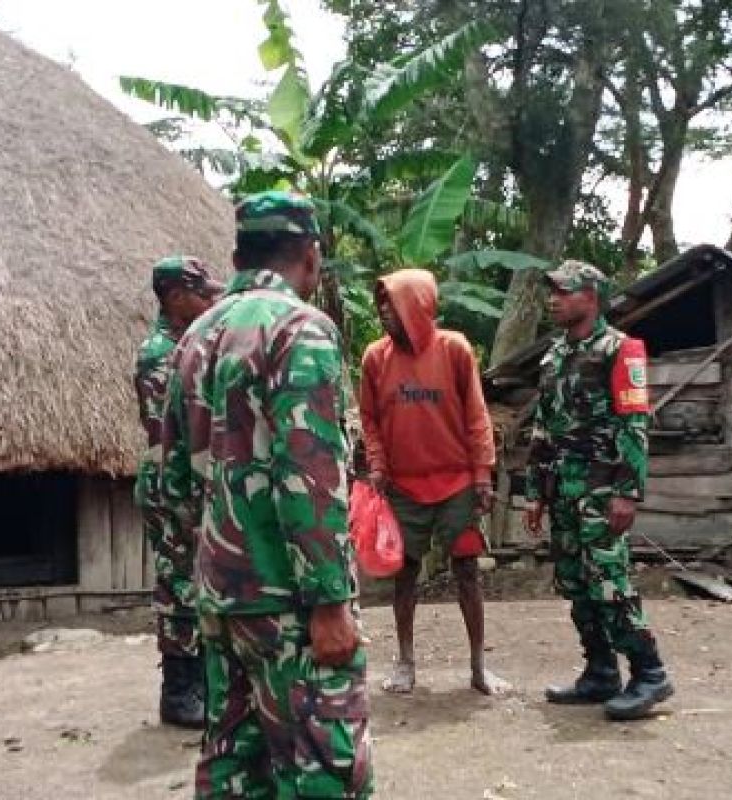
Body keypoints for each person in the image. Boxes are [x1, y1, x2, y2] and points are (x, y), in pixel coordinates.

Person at [160, 191, 372, 799]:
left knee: (233, 768)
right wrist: (330, 599)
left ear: (240, 252)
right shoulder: (299, 329)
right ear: (310, 254)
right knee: (323, 771)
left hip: (220, 598)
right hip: (291, 605)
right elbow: (312, 473)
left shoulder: (195, 337)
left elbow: (171, 479)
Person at [525, 260, 673, 721]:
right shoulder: (554, 356)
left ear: (591, 296)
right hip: (564, 490)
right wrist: (535, 492)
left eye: (563, 292)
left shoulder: (621, 350)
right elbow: (542, 429)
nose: (554, 299)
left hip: (602, 488)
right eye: (552, 292)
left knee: (609, 584)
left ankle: (649, 673)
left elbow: (634, 423)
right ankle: (600, 672)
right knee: (575, 583)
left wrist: (628, 491)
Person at [359, 268, 507, 696]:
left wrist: (482, 474)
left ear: (418, 306)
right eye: (381, 304)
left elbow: (477, 415)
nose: (385, 311)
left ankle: (479, 666)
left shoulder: (454, 349)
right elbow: (369, 419)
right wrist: (378, 465)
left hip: (456, 483)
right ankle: (405, 662)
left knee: (466, 572)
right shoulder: (374, 358)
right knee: (403, 574)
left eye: (393, 303)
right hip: (403, 488)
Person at [133, 255, 223, 729]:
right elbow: (175, 429)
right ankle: (179, 691)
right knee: (177, 586)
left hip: (187, 480)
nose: (209, 298)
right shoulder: (159, 353)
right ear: (173, 297)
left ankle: (202, 685)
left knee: (196, 581)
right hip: (171, 483)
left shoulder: (186, 345)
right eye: (198, 291)